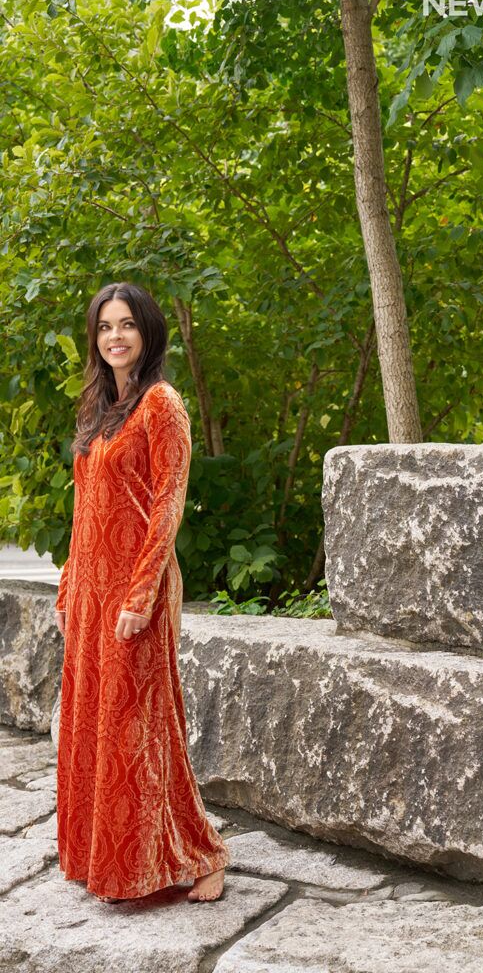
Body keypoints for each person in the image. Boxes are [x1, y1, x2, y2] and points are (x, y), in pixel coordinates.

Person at [54, 281, 230, 904]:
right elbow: (86, 509)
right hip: (92, 591)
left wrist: (140, 595)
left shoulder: (162, 403)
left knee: (141, 728)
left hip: (137, 590)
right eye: (105, 327)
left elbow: (167, 504)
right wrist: (72, 584)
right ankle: (107, 859)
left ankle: (202, 851)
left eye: (126, 324)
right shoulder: (101, 410)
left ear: (148, 332)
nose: (115, 336)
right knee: (98, 724)